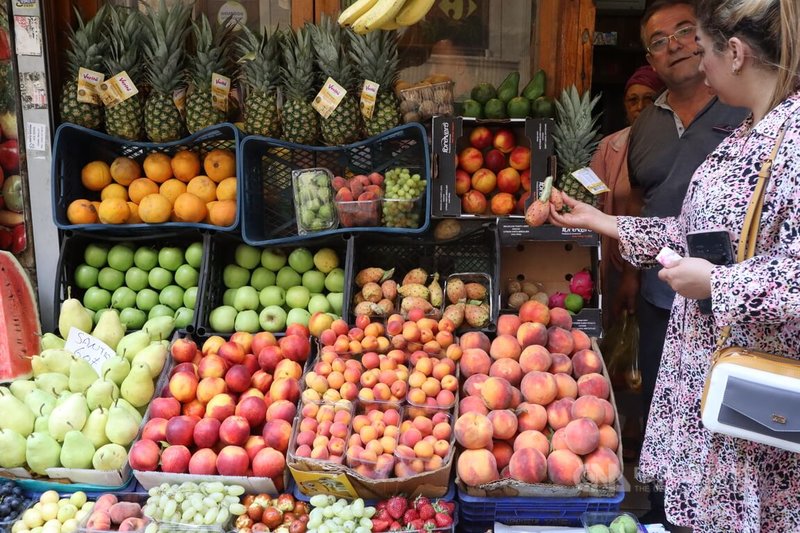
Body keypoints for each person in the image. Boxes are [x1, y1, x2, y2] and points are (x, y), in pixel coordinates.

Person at [550, 0, 800, 530]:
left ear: (734, 53)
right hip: (711, 374)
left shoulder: (794, 139)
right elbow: (691, 236)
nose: (699, 64)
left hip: (753, 389)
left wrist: (718, 282)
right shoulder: (749, 133)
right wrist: (605, 222)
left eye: (704, 49)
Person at [620, 0, 747, 432]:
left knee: (725, 412)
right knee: (663, 403)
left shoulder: (748, 108)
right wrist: (631, 276)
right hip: (661, 292)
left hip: (732, 298)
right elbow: (640, 202)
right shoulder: (644, 125)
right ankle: (661, 501)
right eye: (659, 41)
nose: (675, 46)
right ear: (650, 59)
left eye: (685, 31)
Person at [590, 66, 665, 329]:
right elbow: (594, 198)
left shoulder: (673, 145)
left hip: (661, 262)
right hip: (616, 259)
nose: (639, 106)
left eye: (649, 98)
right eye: (632, 99)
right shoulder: (609, 147)